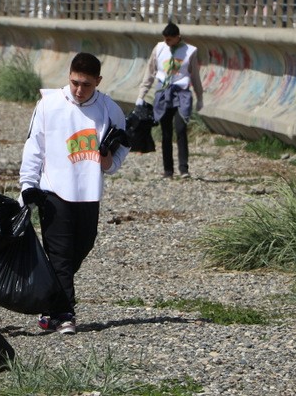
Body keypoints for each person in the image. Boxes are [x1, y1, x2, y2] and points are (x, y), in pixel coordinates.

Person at [18, 52, 129, 335]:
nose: (79, 90)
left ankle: (49, 301)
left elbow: (124, 140)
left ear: (98, 82)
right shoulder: (49, 104)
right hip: (53, 189)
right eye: (75, 82)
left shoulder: (108, 109)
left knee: (83, 244)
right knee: (60, 252)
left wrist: (111, 162)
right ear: (68, 76)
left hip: (89, 190)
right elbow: (34, 145)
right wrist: (27, 185)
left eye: (87, 84)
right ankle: (65, 314)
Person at [136, 22, 204, 179]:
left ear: (177, 37)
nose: (167, 42)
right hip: (163, 94)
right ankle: (168, 170)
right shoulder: (159, 48)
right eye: (165, 39)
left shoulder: (190, 51)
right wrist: (142, 94)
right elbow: (150, 71)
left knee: (180, 129)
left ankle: (184, 168)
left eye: (170, 40)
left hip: (182, 94)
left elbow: (195, 76)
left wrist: (200, 97)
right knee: (166, 132)